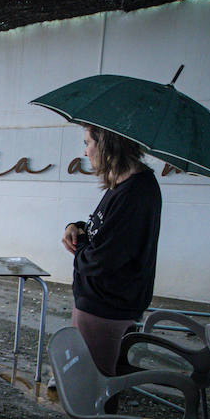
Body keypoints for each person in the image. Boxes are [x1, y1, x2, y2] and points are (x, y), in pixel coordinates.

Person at [61, 125, 162, 376]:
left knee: (93, 385)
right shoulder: (121, 185)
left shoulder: (135, 192)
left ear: (106, 145)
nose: (85, 152)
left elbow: (101, 259)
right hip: (98, 302)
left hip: (108, 307)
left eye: (88, 143)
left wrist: (80, 245)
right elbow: (103, 230)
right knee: (86, 378)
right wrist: (76, 227)